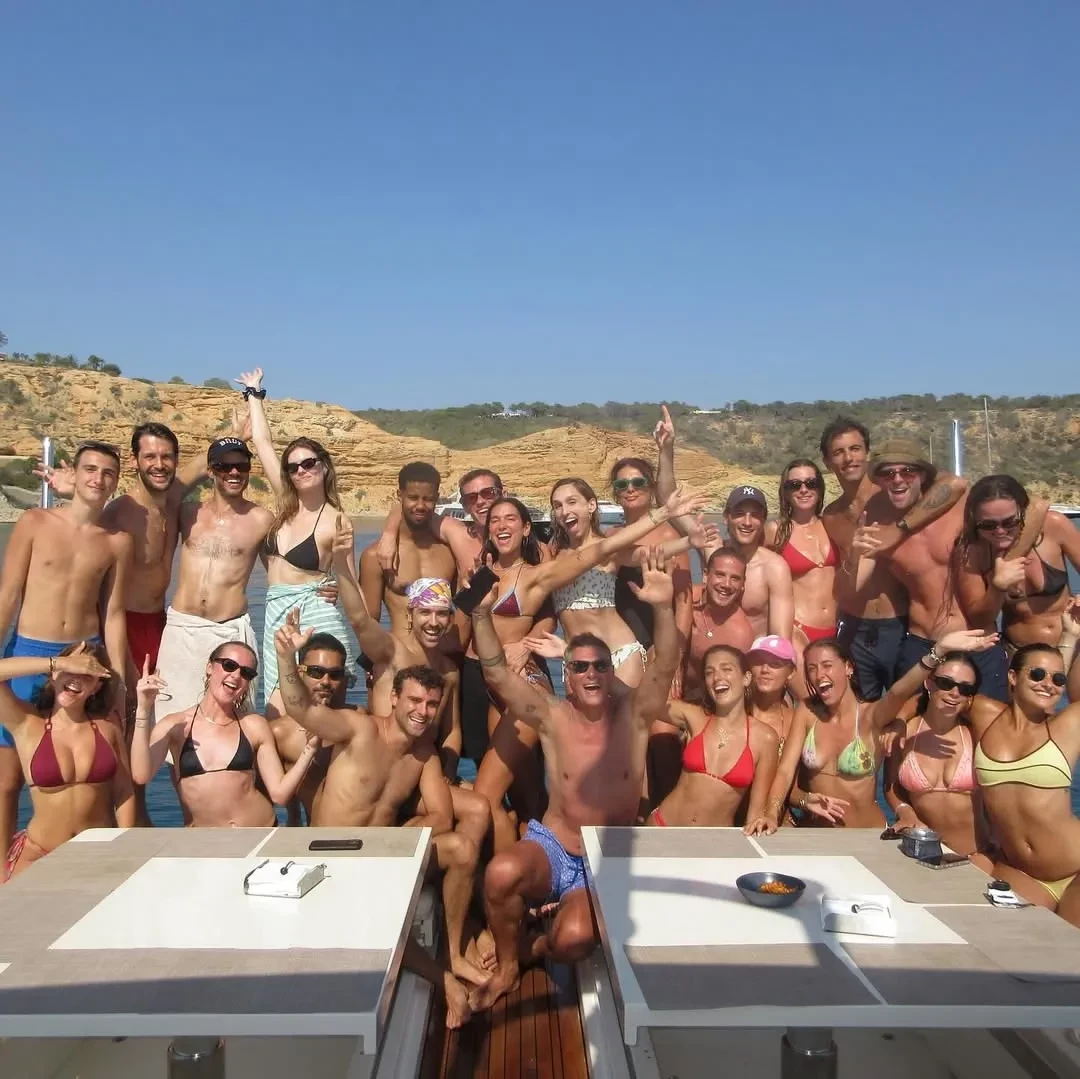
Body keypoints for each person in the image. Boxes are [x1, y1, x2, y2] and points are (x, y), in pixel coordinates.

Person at [468, 548, 680, 1010]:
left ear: (612, 672)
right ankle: (507, 970)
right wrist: (481, 615)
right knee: (500, 874)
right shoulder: (552, 716)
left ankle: (532, 947)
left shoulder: (635, 716)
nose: (591, 674)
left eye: (600, 665)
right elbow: (497, 674)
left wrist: (664, 609)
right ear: (567, 675)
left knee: (574, 940)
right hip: (553, 846)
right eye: (580, 666)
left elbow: (665, 665)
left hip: (602, 859)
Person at [477, 486, 706, 850]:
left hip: (619, 655)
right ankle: (578, 841)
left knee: (628, 754)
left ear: (591, 506)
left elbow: (647, 553)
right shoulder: (553, 554)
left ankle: (636, 839)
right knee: (585, 751)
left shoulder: (607, 545)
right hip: (575, 662)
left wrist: (686, 541)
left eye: (572, 502)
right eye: (557, 504)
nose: (564, 510)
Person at [273, 619, 487, 994]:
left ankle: (452, 953)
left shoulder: (423, 755)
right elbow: (301, 709)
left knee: (463, 849)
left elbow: (441, 816)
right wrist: (285, 658)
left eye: (432, 705)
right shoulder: (359, 729)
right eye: (415, 701)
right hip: (329, 855)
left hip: (381, 853)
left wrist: (390, 840)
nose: (423, 711)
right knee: (368, 912)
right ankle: (443, 980)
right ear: (394, 699)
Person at [0, 441, 132, 853]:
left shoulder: (117, 542)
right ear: (73, 475)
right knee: (7, 778)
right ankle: (4, 868)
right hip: (29, 650)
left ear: (115, 482)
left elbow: (113, 613)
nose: (98, 479)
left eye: (108, 473)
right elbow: (8, 595)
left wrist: (120, 683)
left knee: (93, 765)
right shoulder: (35, 522)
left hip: (84, 658)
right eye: (90, 469)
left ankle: (97, 853)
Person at [752, 629, 999, 833]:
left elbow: (900, 691)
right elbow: (785, 771)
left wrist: (938, 652)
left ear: (848, 668)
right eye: (812, 668)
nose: (819, 675)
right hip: (816, 835)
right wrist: (772, 813)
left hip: (865, 836)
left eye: (827, 665)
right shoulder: (807, 712)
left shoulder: (871, 716)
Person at [819, 417, 966, 700]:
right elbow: (846, 580)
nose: (849, 458)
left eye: (855, 449)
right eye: (838, 452)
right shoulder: (832, 516)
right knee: (859, 711)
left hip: (898, 625)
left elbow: (955, 484)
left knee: (907, 706)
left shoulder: (896, 494)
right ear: (828, 462)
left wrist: (898, 529)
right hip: (854, 627)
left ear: (867, 452)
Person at [851, 440, 1009, 700]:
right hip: (923, 643)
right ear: (877, 479)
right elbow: (854, 584)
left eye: (907, 471)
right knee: (912, 723)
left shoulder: (962, 505)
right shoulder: (875, 518)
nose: (897, 479)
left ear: (923, 474)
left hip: (978, 640)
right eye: (887, 473)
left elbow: (958, 483)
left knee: (989, 722)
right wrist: (853, 557)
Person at [236, 368, 353, 717]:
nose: (301, 470)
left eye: (309, 463)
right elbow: (262, 443)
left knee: (320, 711)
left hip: (316, 615)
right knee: (277, 711)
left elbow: (352, 584)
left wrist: (335, 586)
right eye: (293, 467)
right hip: (277, 613)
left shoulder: (337, 520)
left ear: (324, 466)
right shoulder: (285, 501)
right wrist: (254, 394)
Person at [153, 437, 275, 725]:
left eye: (241, 466)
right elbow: (175, 486)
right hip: (182, 631)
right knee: (171, 720)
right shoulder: (188, 512)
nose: (234, 472)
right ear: (210, 471)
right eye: (224, 466)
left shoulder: (261, 519)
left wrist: (320, 585)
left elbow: (281, 572)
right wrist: (232, 432)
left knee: (230, 723)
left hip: (229, 630)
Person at [131, 642, 318, 826]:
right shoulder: (175, 725)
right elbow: (141, 775)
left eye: (246, 673)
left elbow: (279, 794)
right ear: (209, 668)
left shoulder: (253, 725)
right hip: (206, 841)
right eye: (229, 665)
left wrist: (309, 750)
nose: (236, 675)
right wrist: (143, 710)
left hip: (258, 832)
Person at [0, 642, 134, 880]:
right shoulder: (27, 724)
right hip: (38, 855)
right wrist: (57, 662)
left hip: (97, 855)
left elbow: (124, 792)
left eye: (86, 674)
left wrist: (124, 848)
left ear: (96, 687)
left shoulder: (107, 727)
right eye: (70, 670)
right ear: (53, 675)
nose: (75, 679)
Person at [973, 644, 1080, 925]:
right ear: (1012, 677)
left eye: (1058, 679)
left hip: (1075, 870)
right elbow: (933, 695)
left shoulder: (1067, 725)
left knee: (1071, 946)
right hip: (1022, 872)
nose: (1048, 684)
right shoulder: (984, 714)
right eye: (1037, 674)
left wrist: (1072, 636)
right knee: (1009, 941)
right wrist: (897, 724)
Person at [884, 650, 994, 868]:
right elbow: (890, 785)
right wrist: (904, 811)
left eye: (965, 688)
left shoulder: (977, 734)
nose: (955, 693)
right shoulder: (905, 733)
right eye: (946, 683)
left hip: (976, 855)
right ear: (929, 682)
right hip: (921, 858)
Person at [649, 645, 778, 827]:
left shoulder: (765, 738)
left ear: (746, 678)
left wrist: (766, 821)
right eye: (710, 673)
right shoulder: (695, 717)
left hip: (715, 840)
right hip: (663, 826)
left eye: (727, 669)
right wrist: (662, 663)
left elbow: (755, 814)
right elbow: (645, 703)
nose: (717, 677)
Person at [953, 475, 1073, 650]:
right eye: (988, 525)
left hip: (1073, 643)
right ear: (974, 520)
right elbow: (979, 620)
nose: (1000, 531)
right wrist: (997, 587)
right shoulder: (972, 552)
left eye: (1009, 522)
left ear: (1022, 512)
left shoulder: (1054, 526)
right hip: (1020, 652)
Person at [360, 462, 457, 638]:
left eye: (428, 499)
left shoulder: (449, 552)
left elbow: (463, 613)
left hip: (444, 653)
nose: (420, 505)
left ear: (437, 497)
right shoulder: (375, 556)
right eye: (413, 497)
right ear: (400, 495)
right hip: (401, 651)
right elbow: (368, 625)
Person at [376, 467, 506, 580]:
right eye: (471, 498)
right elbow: (409, 509)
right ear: (464, 506)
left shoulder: (518, 537)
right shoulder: (457, 535)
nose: (480, 501)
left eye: (488, 493)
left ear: (504, 495)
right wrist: (389, 534)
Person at [268, 632, 339, 825]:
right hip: (311, 833)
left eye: (335, 674)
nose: (325, 681)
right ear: (300, 672)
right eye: (316, 672)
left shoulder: (359, 722)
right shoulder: (279, 733)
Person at [767, 459, 839, 649]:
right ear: (786, 492)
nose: (803, 490)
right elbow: (750, 563)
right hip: (798, 631)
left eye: (811, 483)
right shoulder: (775, 531)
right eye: (795, 485)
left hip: (838, 630)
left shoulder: (833, 525)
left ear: (820, 488)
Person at [681, 547, 755, 704]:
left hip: (704, 699)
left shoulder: (739, 634)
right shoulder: (684, 598)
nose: (726, 584)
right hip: (667, 682)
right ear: (706, 575)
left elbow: (732, 689)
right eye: (720, 575)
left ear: (743, 584)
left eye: (735, 578)